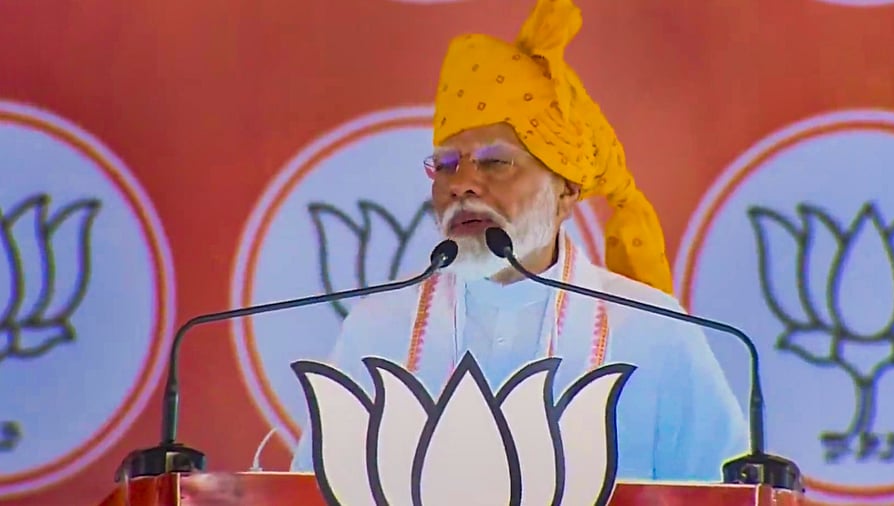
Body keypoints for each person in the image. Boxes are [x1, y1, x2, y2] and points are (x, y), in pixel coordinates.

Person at [290, 0, 747, 482]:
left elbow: (726, 492)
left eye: (494, 162)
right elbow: (314, 488)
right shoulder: (379, 327)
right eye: (446, 164)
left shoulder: (652, 330)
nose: (461, 184)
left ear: (565, 192)